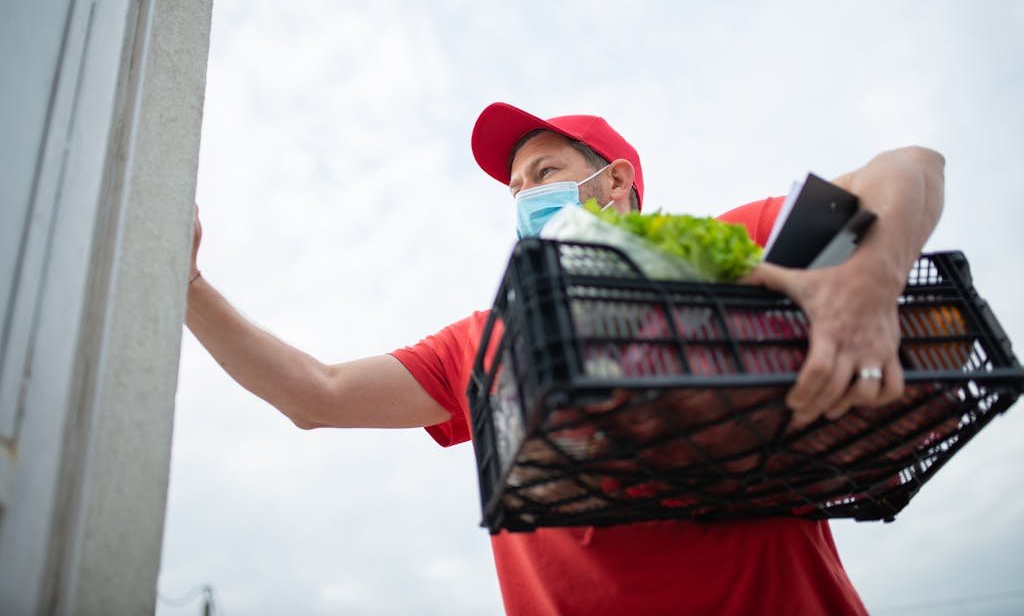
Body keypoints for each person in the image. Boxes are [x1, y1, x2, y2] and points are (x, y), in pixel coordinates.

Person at [186, 101, 945, 615]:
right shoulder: (486, 343)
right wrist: (185, 284)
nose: (525, 199)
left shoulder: (720, 249)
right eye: (515, 189)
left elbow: (911, 167)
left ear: (616, 182)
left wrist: (869, 285)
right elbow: (316, 394)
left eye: (545, 174)